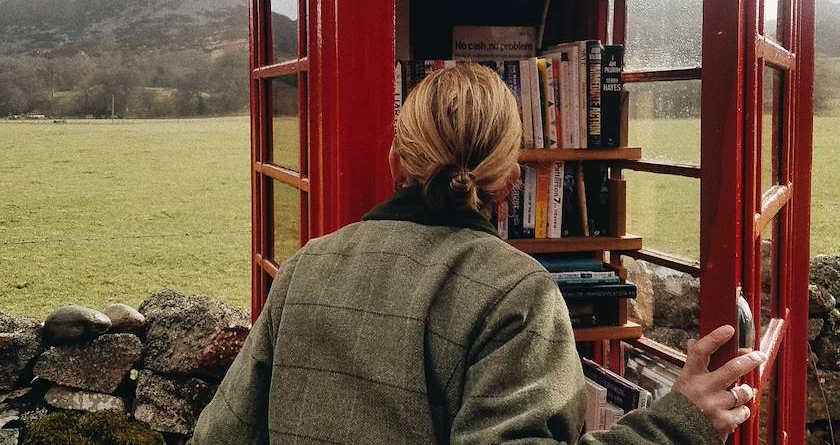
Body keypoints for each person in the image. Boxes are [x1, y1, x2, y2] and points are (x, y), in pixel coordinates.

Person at [191, 63, 763, 444]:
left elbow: (220, 436)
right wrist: (676, 423)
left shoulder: (305, 268)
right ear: (511, 182)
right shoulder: (516, 292)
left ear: (396, 162)